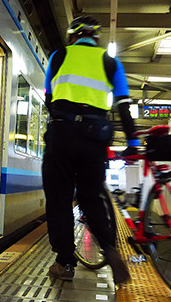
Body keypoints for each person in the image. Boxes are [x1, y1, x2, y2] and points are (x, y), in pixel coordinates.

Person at [42, 15, 138, 284]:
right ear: (96, 38)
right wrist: (132, 143)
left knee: (59, 198)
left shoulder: (58, 56)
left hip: (62, 133)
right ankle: (109, 248)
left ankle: (64, 262)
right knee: (90, 197)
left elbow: (49, 97)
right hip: (96, 137)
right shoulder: (110, 62)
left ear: (72, 36)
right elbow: (123, 106)